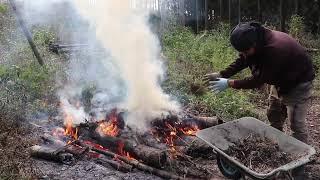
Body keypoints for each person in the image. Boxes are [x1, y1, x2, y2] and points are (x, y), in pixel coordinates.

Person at [204, 22, 315, 179]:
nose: (243, 54)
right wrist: (223, 74)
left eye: (245, 50)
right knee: (274, 114)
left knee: (296, 125)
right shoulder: (255, 42)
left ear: (254, 44)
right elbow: (243, 59)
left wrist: (229, 83)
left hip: (298, 83)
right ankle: (277, 152)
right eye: (241, 51)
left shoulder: (276, 49)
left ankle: (299, 167)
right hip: (280, 79)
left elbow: (258, 81)